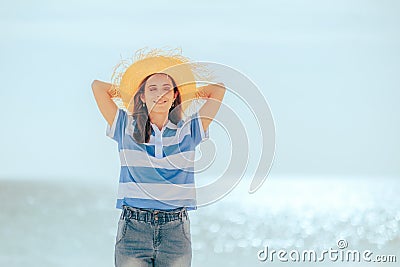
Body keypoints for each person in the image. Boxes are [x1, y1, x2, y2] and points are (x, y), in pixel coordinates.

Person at [91, 48, 226, 267]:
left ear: (175, 95)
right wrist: (129, 91)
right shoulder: (126, 126)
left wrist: (188, 92)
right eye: (152, 89)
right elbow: (98, 87)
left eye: (167, 89)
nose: (160, 93)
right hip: (133, 227)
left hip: (175, 230)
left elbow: (218, 90)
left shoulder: (190, 129)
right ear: (142, 96)